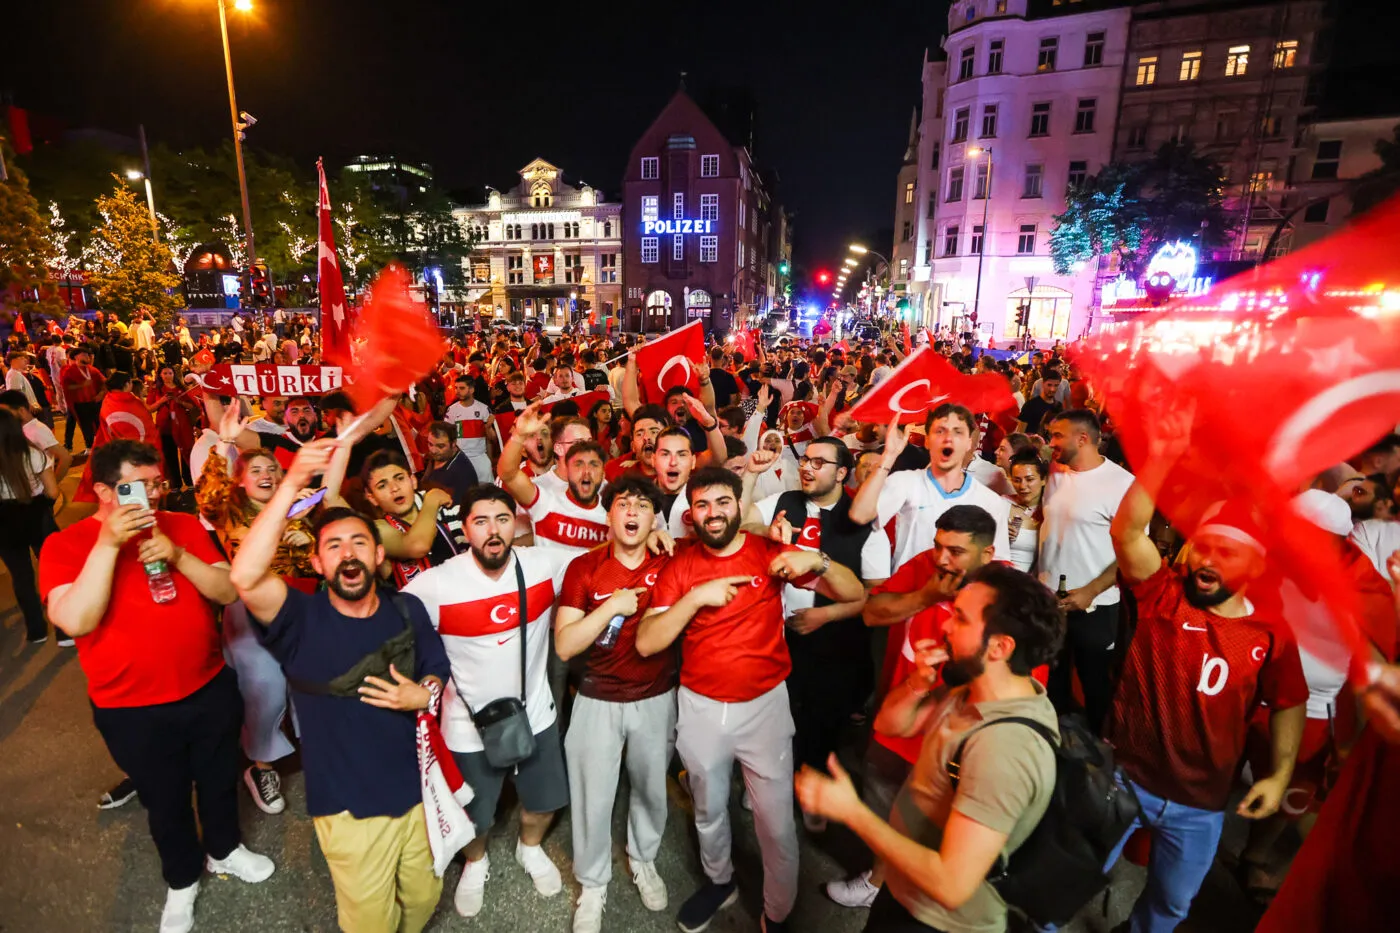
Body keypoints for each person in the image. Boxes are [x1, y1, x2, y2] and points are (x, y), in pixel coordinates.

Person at [39, 439, 273, 933]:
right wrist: (108, 545)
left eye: (156, 483)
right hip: (131, 708)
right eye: (136, 486)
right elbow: (77, 619)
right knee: (165, 799)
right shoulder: (66, 545)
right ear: (103, 490)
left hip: (207, 687)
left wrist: (179, 555)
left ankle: (225, 849)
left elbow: (227, 589)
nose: (152, 495)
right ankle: (182, 878)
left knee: (217, 781)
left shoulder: (182, 526)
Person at [228, 440, 452, 933]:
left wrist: (426, 693)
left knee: (423, 898)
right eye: (333, 546)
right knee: (371, 922)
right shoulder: (299, 621)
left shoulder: (406, 608)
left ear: (377, 556)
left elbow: (436, 665)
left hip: (420, 798)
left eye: (358, 544)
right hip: (351, 813)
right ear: (317, 564)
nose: (347, 554)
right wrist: (290, 484)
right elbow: (244, 575)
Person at [637, 467, 865, 933]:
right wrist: (697, 597)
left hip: (765, 704)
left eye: (723, 502)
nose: (713, 513)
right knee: (708, 808)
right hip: (701, 706)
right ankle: (721, 883)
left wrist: (815, 561)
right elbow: (646, 642)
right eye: (702, 505)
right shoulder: (679, 566)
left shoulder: (771, 552)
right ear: (690, 514)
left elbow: (855, 593)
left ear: (739, 506)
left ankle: (777, 915)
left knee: (777, 822)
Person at [1102, 426, 1309, 933]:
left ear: (1255, 565)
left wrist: (1280, 774)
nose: (1207, 560)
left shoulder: (1271, 632)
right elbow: (1127, 533)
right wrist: (1163, 456)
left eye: (1226, 552)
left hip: (1200, 806)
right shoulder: (1162, 595)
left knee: (1171, 907)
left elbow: (1288, 700)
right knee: (1072, 874)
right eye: (1203, 547)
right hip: (1124, 779)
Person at [798, 562, 1064, 933]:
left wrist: (852, 811)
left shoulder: (1005, 750)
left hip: (936, 920)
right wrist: (919, 681)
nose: (945, 626)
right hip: (905, 886)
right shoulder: (970, 686)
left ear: (1001, 647)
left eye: (960, 618)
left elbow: (951, 884)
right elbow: (890, 724)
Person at [401, 486, 573, 920]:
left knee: (547, 798)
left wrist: (652, 540)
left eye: (502, 519)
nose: (493, 531)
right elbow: (386, 625)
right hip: (466, 725)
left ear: (516, 524)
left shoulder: (542, 565)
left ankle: (528, 848)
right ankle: (475, 863)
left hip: (534, 713)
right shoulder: (436, 584)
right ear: (465, 529)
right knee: (472, 814)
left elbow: (606, 560)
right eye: (481, 521)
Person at [744, 437, 891, 830]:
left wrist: (826, 617)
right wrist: (751, 477)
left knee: (821, 721)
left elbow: (876, 595)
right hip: (774, 634)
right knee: (773, 715)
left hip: (833, 641)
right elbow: (742, 523)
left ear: (842, 473)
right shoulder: (784, 500)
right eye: (805, 460)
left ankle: (810, 793)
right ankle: (766, 783)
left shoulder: (863, 521)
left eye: (818, 462)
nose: (806, 467)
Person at [555, 476, 676, 933]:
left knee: (650, 788)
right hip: (596, 698)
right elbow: (566, 646)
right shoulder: (584, 568)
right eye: (623, 504)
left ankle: (643, 859)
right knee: (592, 796)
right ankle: (592, 883)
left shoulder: (670, 558)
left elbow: (726, 534)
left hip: (656, 696)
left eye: (642, 506)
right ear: (608, 515)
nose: (631, 512)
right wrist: (610, 608)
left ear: (653, 518)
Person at [194, 438, 318, 816]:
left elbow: (310, 556)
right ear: (241, 480)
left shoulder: (297, 508)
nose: (266, 475)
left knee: (308, 684)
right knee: (265, 690)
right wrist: (225, 442)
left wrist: (305, 542)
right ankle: (260, 767)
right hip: (247, 610)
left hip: (298, 605)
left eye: (272, 469)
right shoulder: (229, 508)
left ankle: (317, 754)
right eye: (256, 470)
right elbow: (208, 496)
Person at [1039, 410, 1136, 733]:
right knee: (1050, 687)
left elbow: (1132, 554)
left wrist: (1091, 591)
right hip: (1049, 603)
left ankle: (1098, 755)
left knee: (1096, 688)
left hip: (1095, 607)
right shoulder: (1054, 471)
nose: (1051, 443)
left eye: (1057, 436)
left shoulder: (1122, 485)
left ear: (1082, 439)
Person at [850, 403, 1012, 572]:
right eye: (940, 431)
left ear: (968, 443)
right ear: (927, 441)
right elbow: (860, 515)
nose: (948, 438)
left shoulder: (990, 501)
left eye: (957, 432)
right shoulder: (905, 482)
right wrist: (888, 457)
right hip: (907, 592)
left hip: (959, 596)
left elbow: (998, 562)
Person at [498, 404, 609, 556]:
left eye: (589, 441)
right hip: (555, 578)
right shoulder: (539, 489)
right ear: (558, 448)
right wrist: (519, 436)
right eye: (578, 443)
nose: (587, 448)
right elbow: (508, 474)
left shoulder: (604, 487)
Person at [0, 409, 61, 645]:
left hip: (5, 521)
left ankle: (37, 630)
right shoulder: (33, 454)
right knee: (53, 570)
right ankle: (65, 628)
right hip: (37, 514)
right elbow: (53, 491)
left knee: (21, 576)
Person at [0, 389, 73, 483]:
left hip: (38, 491)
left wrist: (52, 483)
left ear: (21, 411)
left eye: (6, 413)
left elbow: (65, 457)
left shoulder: (38, 430)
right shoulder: (21, 429)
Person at [445, 373, 494, 481]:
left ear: (472, 390)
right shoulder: (451, 410)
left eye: (462, 388)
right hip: (460, 459)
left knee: (486, 493)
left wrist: (488, 427)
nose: (457, 391)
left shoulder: (484, 409)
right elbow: (448, 438)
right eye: (456, 388)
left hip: (480, 458)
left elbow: (491, 439)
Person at [1005, 450, 1046, 574]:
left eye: (1029, 479)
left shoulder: (1049, 512)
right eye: (1017, 480)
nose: (1022, 486)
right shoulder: (1001, 504)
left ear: (1043, 479)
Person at [421, 420, 480, 506]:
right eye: (430, 444)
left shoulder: (463, 473)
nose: (433, 450)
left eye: (440, 446)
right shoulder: (437, 456)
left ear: (453, 444)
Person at [59, 346, 105, 451]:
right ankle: (88, 447)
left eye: (87, 354)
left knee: (99, 424)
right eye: (83, 355)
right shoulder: (70, 371)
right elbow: (66, 387)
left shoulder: (92, 369)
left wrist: (101, 393)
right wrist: (81, 385)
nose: (87, 356)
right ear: (76, 357)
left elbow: (103, 382)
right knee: (86, 426)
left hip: (94, 402)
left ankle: (101, 445)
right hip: (80, 404)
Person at [1014, 367, 1063, 435]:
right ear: (1043, 383)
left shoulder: (1058, 406)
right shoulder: (1030, 405)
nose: (1052, 389)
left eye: (1056, 385)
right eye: (1049, 385)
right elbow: (1020, 432)